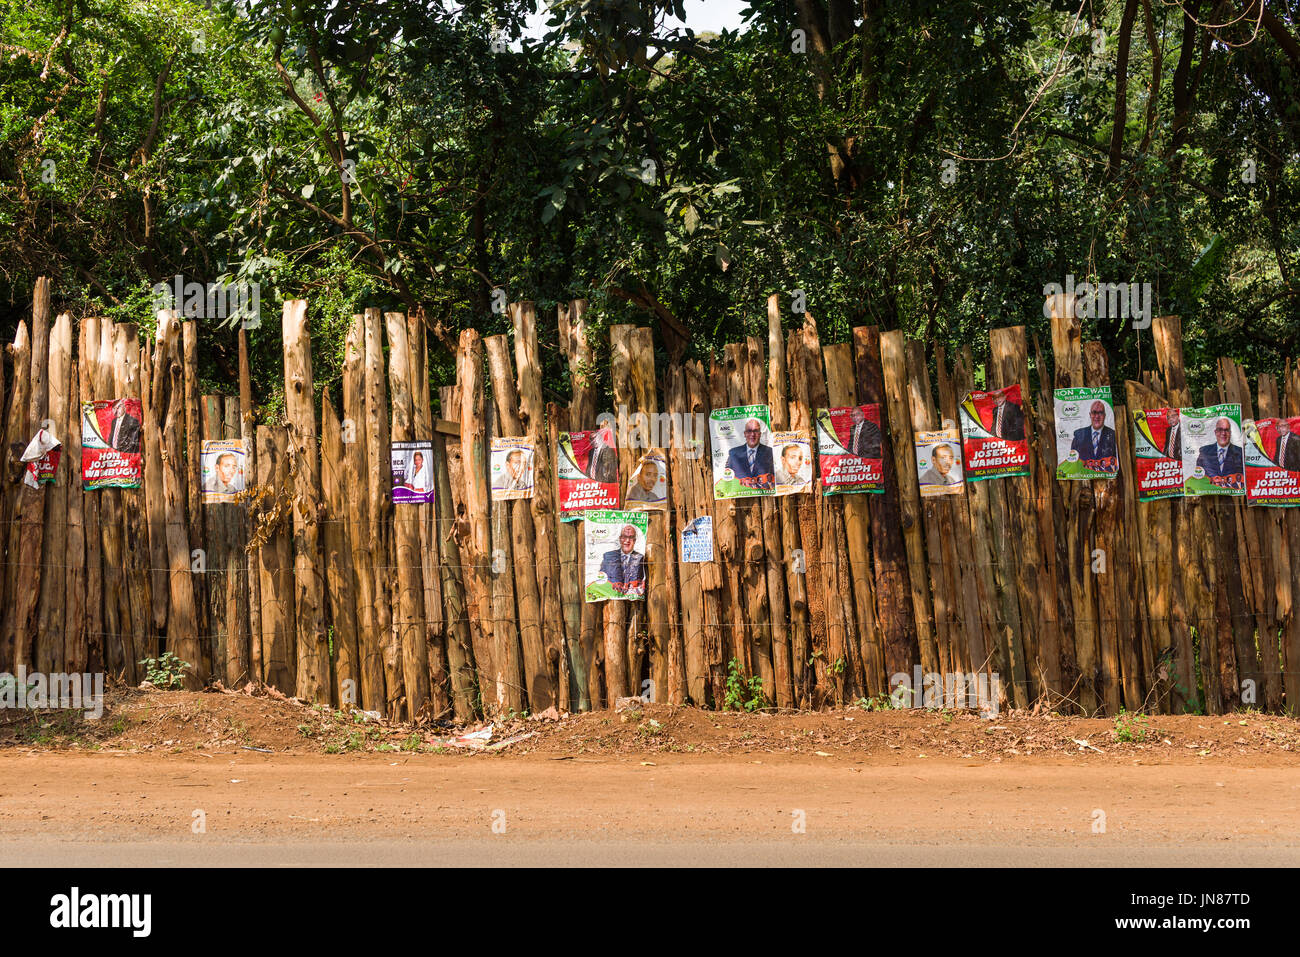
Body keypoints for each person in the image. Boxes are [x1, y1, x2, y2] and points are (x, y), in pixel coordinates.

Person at [724, 418, 774, 488]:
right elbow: (727, 477)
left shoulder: (770, 452)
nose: (752, 434)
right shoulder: (733, 453)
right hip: (740, 495)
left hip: (764, 495)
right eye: (749, 431)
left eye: (756, 431)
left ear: (760, 434)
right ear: (745, 434)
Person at [598, 524, 646, 597]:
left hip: (633, 600)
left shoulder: (641, 558)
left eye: (631, 537)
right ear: (620, 539)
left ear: (635, 540)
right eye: (624, 537)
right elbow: (601, 579)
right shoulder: (608, 557)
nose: (627, 541)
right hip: (612, 598)